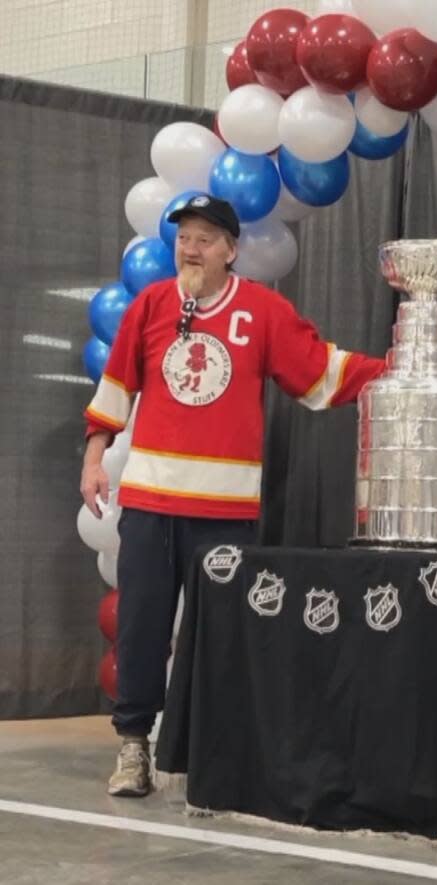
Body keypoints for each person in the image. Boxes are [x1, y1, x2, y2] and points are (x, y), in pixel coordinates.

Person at [80, 194, 387, 797]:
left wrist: (399, 369)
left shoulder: (262, 312)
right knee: (142, 625)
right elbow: (116, 384)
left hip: (223, 511)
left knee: (223, 634)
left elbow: (318, 371)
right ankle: (134, 746)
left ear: (230, 250)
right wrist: (94, 458)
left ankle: (213, 752)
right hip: (148, 503)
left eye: (203, 238)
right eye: (183, 237)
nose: (190, 249)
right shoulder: (151, 305)